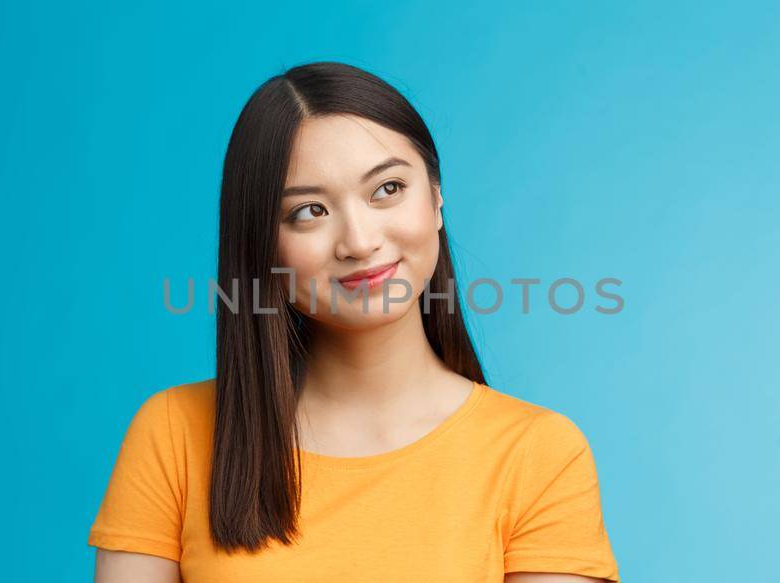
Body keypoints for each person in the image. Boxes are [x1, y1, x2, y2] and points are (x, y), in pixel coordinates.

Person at [90, 61, 619, 582]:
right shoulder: (174, 434)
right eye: (309, 212)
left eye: (387, 189)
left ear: (436, 197)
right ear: (262, 246)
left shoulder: (538, 453)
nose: (360, 241)